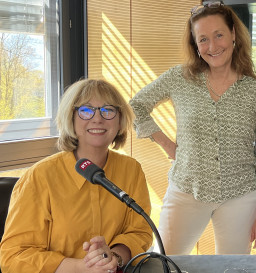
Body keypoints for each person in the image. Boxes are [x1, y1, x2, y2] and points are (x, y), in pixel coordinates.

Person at [129, 0, 256, 255]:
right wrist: (168, 145)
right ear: (195, 45)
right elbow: (135, 105)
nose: (212, 46)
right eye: (203, 39)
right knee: (164, 261)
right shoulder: (180, 78)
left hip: (240, 194)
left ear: (233, 34)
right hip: (186, 188)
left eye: (218, 35)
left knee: (233, 269)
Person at [0, 79, 153, 273]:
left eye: (108, 110)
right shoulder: (39, 177)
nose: (97, 118)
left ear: (120, 119)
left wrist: (113, 257)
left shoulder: (131, 170)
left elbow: (140, 231)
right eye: (86, 110)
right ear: (70, 117)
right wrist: (81, 267)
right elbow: (13, 257)